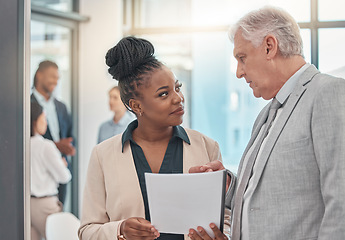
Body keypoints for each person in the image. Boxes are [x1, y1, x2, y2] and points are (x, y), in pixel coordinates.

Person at [189, 6, 345, 240]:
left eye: (242, 58)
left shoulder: (327, 93)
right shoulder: (265, 114)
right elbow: (273, 193)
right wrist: (230, 186)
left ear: (269, 46)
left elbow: (341, 201)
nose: (239, 72)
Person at [78, 36, 230, 240]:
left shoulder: (206, 146)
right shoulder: (103, 155)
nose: (178, 98)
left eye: (177, 88)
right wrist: (120, 230)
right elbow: (87, 230)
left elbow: (225, 217)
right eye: (163, 94)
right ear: (137, 106)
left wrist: (222, 235)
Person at [31, 60, 75, 204]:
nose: (55, 81)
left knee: (59, 214)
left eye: (57, 77)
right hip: (39, 177)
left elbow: (70, 135)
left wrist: (69, 147)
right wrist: (55, 146)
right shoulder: (27, 103)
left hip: (60, 168)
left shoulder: (61, 106)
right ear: (39, 75)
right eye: (52, 76)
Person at [30, 101, 72, 240]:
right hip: (46, 206)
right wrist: (62, 164)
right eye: (44, 118)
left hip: (27, 205)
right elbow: (65, 177)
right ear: (36, 120)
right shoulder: (46, 146)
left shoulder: (22, 144)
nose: (46, 122)